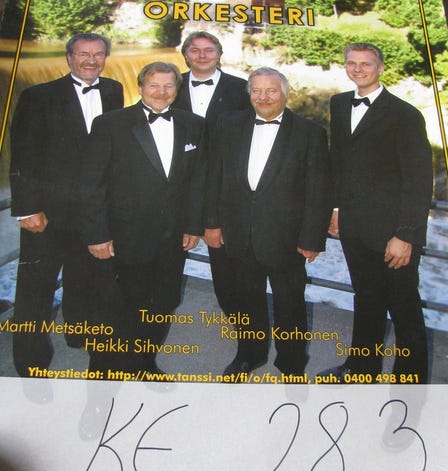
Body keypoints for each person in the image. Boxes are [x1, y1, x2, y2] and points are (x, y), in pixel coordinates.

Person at [9, 33, 123, 380]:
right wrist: (27, 209)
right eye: (83, 54)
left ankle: (79, 333)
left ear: (105, 58)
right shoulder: (38, 96)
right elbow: (23, 154)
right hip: (47, 214)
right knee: (36, 289)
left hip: (93, 212)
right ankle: (30, 364)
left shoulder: (113, 90)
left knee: (85, 278)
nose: (91, 60)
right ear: (69, 57)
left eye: (98, 54)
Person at [79, 62, 206, 374]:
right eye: (154, 85)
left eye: (168, 86)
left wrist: (193, 225)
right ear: (140, 87)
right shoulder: (110, 124)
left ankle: (143, 363)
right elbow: (91, 185)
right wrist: (97, 234)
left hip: (172, 238)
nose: (161, 92)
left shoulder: (194, 124)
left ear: (177, 89)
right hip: (122, 237)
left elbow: (197, 181)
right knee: (115, 309)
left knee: (161, 304)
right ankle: (102, 376)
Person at [317, 43, 433, 383]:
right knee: (366, 300)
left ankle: (410, 384)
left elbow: (419, 180)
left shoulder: (406, 115)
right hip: (354, 226)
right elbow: (338, 162)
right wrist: (335, 209)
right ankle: (360, 370)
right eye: (351, 63)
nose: (358, 69)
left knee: (404, 308)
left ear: (381, 68)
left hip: (393, 232)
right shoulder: (339, 104)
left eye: (366, 64)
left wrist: (405, 235)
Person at [204, 67, 331, 377]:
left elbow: (319, 189)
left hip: (287, 237)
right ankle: (249, 355)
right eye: (257, 91)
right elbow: (214, 175)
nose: (264, 97)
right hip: (238, 232)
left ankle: (291, 363)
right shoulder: (228, 123)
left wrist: (312, 239)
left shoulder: (310, 132)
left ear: (285, 94)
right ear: (249, 94)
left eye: (271, 90)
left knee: (290, 304)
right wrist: (212, 223)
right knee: (246, 301)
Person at [173, 30, 251, 316]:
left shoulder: (242, 88)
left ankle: (239, 320)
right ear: (185, 54)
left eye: (209, 49)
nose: (202, 55)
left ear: (220, 54)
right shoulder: (170, 84)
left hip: (226, 188)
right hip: (178, 188)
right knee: (169, 260)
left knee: (226, 264)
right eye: (195, 49)